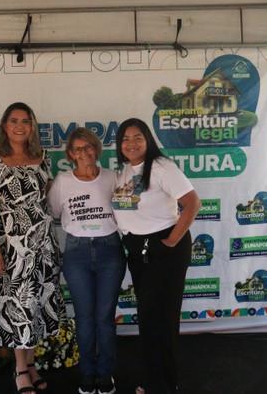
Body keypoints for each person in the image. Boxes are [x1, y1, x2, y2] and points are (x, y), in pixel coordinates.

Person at [0, 102, 65, 394]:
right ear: (4, 126)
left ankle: (31, 363)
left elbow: (50, 197)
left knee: (37, 302)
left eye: (25, 121)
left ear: (32, 126)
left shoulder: (43, 157)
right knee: (18, 303)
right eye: (14, 121)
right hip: (13, 246)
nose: (20, 126)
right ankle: (20, 369)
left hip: (44, 243)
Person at [111, 118, 200, 394]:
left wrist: (171, 241)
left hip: (163, 250)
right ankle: (154, 380)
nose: (131, 143)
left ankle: (163, 385)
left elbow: (193, 203)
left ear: (148, 140)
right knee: (150, 319)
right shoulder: (126, 170)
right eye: (125, 139)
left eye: (137, 137)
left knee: (161, 320)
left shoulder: (161, 167)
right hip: (139, 250)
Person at [47, 127, 126, 394]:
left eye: (88, 147)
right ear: (70, 154)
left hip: (110, 251)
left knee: (104, 317)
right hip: (77, 252)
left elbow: (126, 208)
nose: (84, 153)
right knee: (84, 318)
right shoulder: (62, 181)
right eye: (77, 149)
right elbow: (54, 211)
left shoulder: (113, 177)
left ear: (96, 149)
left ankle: (105, 374)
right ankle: (88, 373)